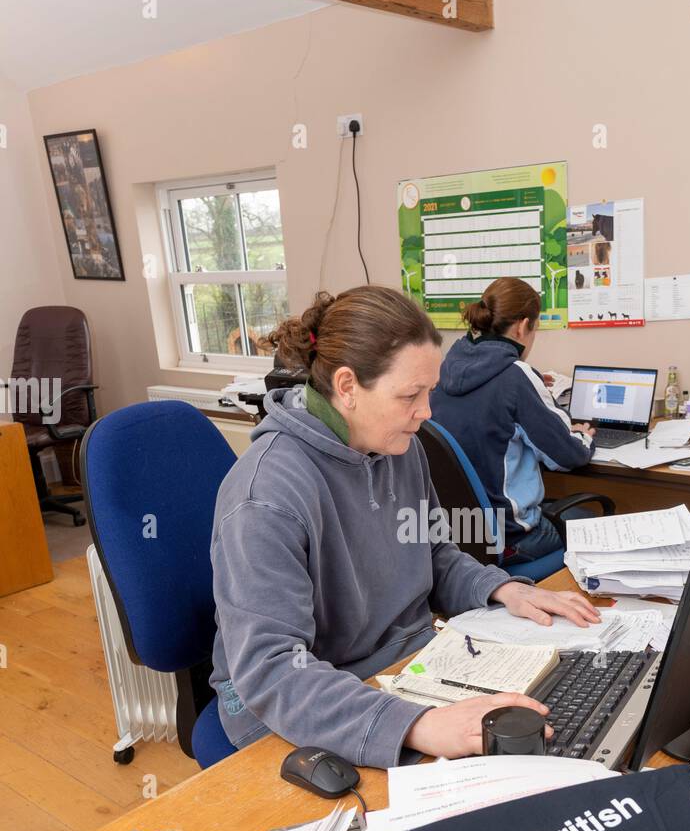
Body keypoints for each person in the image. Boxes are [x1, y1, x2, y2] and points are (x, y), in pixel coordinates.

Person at [210, 285, 600, 768]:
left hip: (404, 665)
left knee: (558, 729)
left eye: (429, 391)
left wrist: (503, 590)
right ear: (348, 387)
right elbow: (270, 672)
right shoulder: (265, 495)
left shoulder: (398, 445)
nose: (427, 412)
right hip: (295, 699)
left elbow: (433, 552)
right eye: (411, 395)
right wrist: (420, 725)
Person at [429, 277, 596, 562]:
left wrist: (528, 380)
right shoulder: (516, 376)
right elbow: (568, 456)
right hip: (512, 539)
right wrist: (585, 435)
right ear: (522, 326)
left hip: (457, 535)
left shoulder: (447, 368)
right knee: (591, 525)